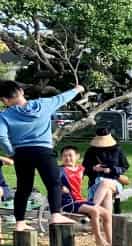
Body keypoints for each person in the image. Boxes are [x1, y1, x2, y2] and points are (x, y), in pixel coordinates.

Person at [0, 81, 84, 231]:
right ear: (21, 91)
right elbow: (63, 97)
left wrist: (11, 151)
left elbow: (1, 136)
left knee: (23, 188)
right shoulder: (44, 104)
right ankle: (56, 215)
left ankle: (19, 222)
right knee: (53, 184)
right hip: (44, 151)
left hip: (22, 152)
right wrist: (77, 89)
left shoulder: (4, 115)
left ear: (5, 100)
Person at [59, 146, 114, 246]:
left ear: (77, 156)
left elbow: (92, 169)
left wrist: (100, 168)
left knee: (107, 214)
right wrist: (61, 187)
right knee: (94, 210)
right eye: (64, 156)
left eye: (70, 155)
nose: (67, 158)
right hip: (68, 203)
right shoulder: (60, 170)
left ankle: (110, 242)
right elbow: (52, 181)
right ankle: (98, 238)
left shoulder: (81, 169)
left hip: (80, 201)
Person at [82, 127, 130, 210]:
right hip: (95, 182)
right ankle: (108, 220)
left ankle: (92, 208)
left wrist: (111, 170)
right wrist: (93, 168)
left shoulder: (117, 150)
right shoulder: (91, 151)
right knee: (107, 194)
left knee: (105, 183)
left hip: (115, 181)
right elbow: (84, 169)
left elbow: (124, 167)